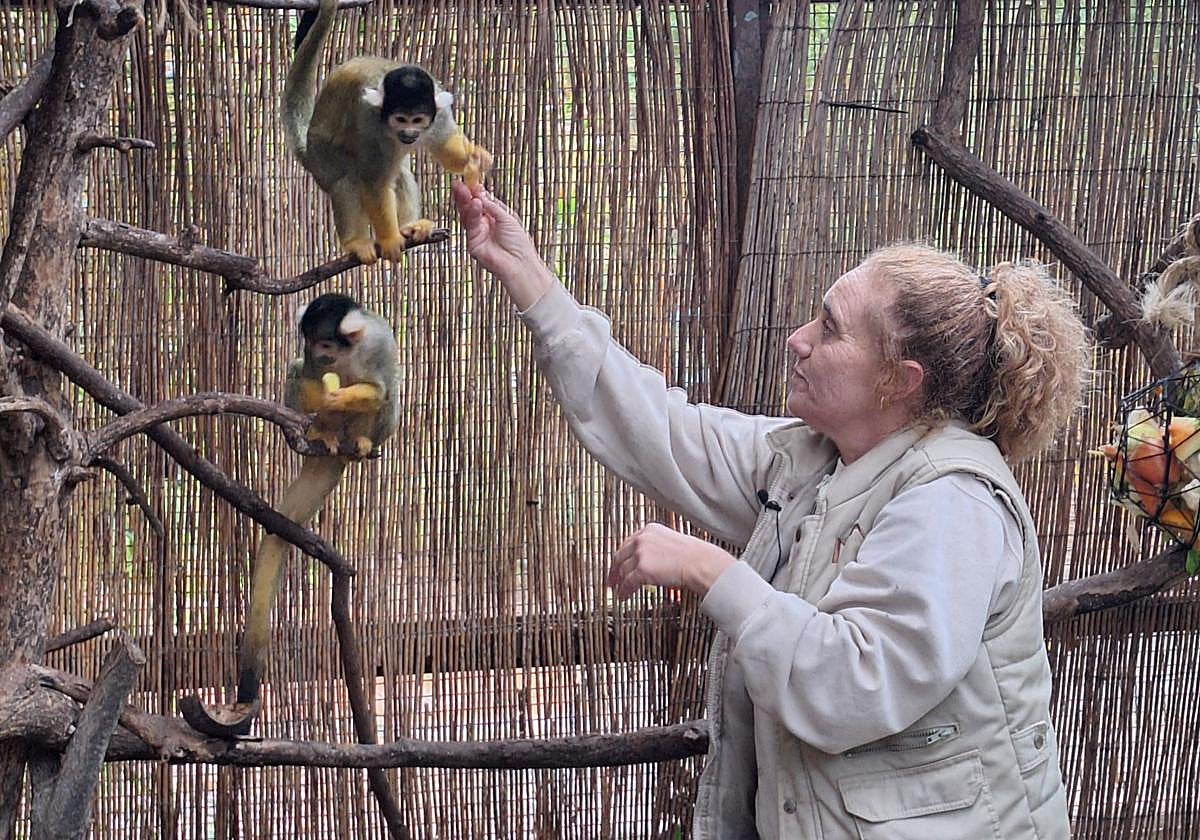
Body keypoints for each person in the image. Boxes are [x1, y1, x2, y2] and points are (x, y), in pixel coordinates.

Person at [453, 181, 1086, 839]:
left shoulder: (952, 504)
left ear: (899, 381)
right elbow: (662, 431)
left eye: (831, 329)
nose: (798, 339)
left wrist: (709, 571)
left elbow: (853, 686)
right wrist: (527, 275)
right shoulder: (816, 461)